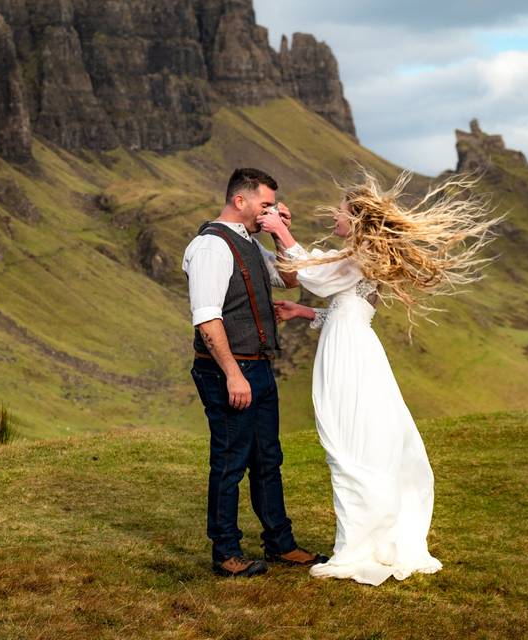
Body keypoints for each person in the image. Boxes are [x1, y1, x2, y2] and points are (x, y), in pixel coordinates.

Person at [258, 169, 499, 586]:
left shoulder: (361, 256)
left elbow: (315, 276)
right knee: (352, 440)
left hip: (350, 355)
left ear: (355, 218)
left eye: (340, 212)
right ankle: (362, 534)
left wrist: (280, 230)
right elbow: (341, 303)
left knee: (350, 444)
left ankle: (358, 545)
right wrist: (303, 312)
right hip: (350, 346)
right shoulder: (358, 256)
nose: (334, 217)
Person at [183, 168, 326, 578]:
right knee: (230, 461)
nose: (269, 212)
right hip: (227, 370)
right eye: (265, 206)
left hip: (258, 366)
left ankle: (281, 543)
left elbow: (289, 279)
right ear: (240, 201)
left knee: (268, 459)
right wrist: (232, 374)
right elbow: (207, 318)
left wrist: (281, 232)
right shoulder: (211, 247)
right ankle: (226, 553)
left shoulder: (249, 243)